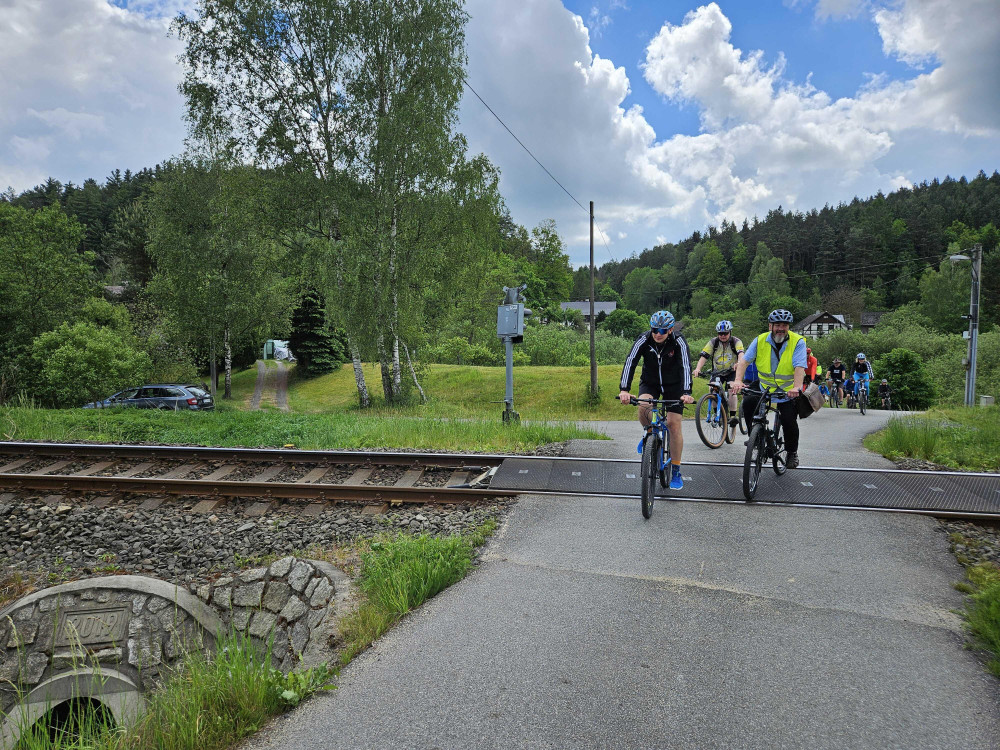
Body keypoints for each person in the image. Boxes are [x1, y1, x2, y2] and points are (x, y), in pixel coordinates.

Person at [619, 310, 695, 490]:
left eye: (662, 331)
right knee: (643, 405)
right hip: (650, 382)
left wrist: (686, 392)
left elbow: (685, 365)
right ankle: (649, 431)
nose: (658, 334)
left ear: (670, 330)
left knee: (673, 424)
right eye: (655, 330)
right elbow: (631, 361)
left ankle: (675, 469)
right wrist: (624, 389)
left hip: (674, 386)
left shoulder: (679, 342)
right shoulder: (644, 339)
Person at [732, 309, 806, 469]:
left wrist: (797, 387)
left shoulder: (798, 341)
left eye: (784, 325)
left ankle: (792, 452)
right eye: (777, 324)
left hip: (787, 390)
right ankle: (756, 436)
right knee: (748, 403)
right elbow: (744, 362)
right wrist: (738, 380)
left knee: (788, 420)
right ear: (770, 326)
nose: (781, 328)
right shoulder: (760, 340)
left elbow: (800, 366)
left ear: (788, 327)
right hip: (764, 385)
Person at [691, 320, 744, 431]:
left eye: (725, 333)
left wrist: (739, 363)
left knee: (731, 390)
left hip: (732, 371)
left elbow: (741, 354)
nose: (723, 336)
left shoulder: (736, 341)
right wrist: (698, 369)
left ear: (730, 332)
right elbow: (704, 356)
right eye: (720, 333)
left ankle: (733, 416)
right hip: (717, 371)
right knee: (712, 389)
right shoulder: (713, 342)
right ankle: (717, 415)